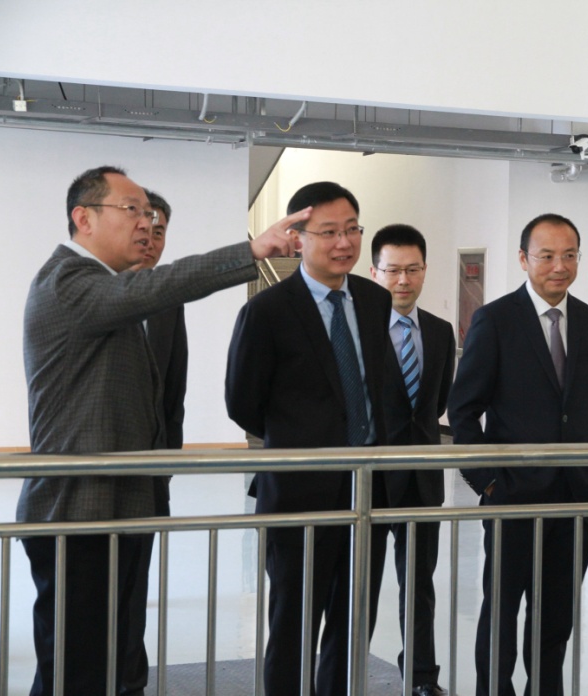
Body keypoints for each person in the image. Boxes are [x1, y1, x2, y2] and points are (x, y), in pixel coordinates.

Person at [19, 165, 309, 696]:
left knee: (112, 658)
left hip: (121, 503)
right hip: (77, 512)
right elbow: (165, 282)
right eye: (131, 210)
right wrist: (251, 250)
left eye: (150, 214)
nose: (145, 223)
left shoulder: (105, 289)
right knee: (76, 668)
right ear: (84, 218)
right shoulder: (68, 282)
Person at [225, 181, 391, 696]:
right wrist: (299, 439)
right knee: (294, 623)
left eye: (352, 230)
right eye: (329, 232)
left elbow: (378, 384)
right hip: (298, 496)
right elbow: (242, 403)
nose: (344, 243)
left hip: (367, 490)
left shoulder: (374, 299)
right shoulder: (268, 311)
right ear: (297, 238)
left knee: (353, 623)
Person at [448, 213, 588, 696]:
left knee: (556, 615)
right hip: (514, 495)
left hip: (578, 497)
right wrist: (488, 482)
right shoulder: (495, 320)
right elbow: (463, 412)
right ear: (524, 259)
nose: (559, 266)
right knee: (502, 609)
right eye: (546, 256)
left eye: (569, 255)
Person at [368, 224, 454, 696]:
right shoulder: (358, 330)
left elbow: (437, 403)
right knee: (359, 586)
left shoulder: (440, 332)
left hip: (422, 479)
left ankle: (421, 677)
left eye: (413, 269)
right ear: (374, 272)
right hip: (370, 480)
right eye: (393, 270)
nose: (403, 280)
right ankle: (345, 672)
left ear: (424, 270)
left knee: (419, 586)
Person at [119, 189, 189, 696]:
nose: (150, 240)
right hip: (94, 478)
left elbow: (173, 391)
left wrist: (166, 465)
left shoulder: (167, 302)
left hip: (148, 477)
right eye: (142, 228)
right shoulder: (91, 291)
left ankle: (131, 681)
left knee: (135, 585)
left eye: (160, 231)